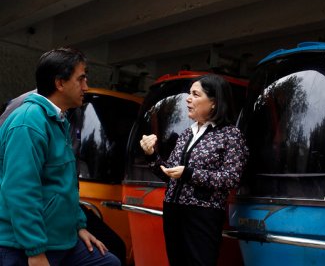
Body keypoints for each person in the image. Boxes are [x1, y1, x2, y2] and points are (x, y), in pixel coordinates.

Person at [0, 48, 121, 266]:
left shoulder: (57, 119)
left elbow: (63, 184)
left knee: (109, 262)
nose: (86, 86)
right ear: (60, 83)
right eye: (81, 79)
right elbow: (20, 190)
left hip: (61, 240)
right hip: (24, 246)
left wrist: (79, 226)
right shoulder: (29, 122)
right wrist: (35, 251)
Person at [140, 74, 249, 266]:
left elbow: (232, 178)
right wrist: (150, 154)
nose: (188, 99)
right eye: (189, 94)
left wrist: (189, 173)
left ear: (214, 102)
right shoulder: (186, 134)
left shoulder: (230, 135)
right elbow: (169, 174)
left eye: (195, 94)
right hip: (173, 209)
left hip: (202, 214)